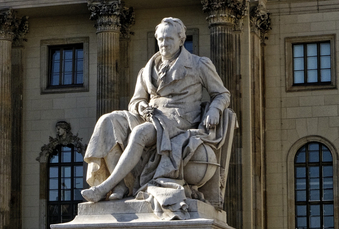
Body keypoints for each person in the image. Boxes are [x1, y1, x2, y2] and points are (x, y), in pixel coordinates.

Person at [80, 17, 232, 218]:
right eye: (160, 39)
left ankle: (104, 187)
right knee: (108, 121)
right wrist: (141, 106)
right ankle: (119, 186)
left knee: (140, 133)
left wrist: (215, 110)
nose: (163, 44)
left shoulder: (198, 64)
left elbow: (222, 94)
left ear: (181, 39)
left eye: (168, 39)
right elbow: (135, 101)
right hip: (151, 116)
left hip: (179, 121)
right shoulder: (147, 70)